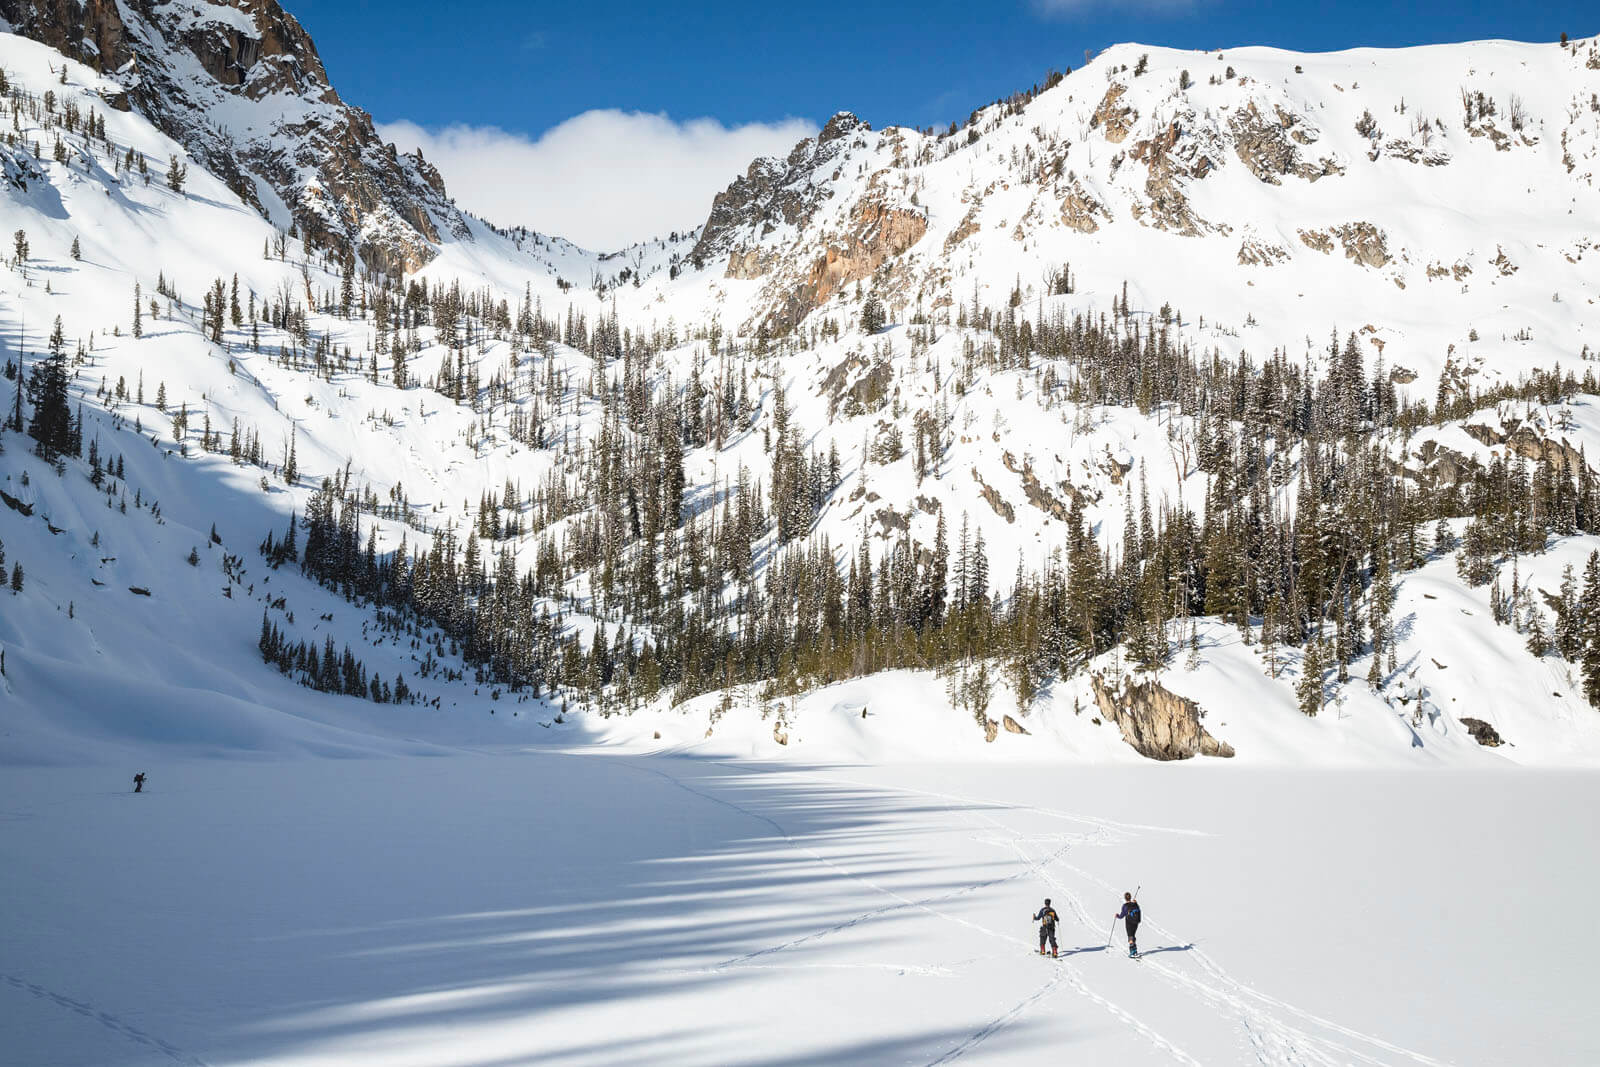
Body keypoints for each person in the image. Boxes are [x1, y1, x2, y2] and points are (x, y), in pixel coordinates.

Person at [1114, 892, 1141, 957]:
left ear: (1125, 898)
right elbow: (1138, 909)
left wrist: (1117, 916)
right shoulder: (1135, 904)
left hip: (1129, 923)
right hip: (1136, 922)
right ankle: (1135, 950)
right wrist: (1136, 903)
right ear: (1130, 897)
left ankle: (1132, 952)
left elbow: (1121, 916)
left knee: (1130, 936)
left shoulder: (1125, 906)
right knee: (1133, 935)